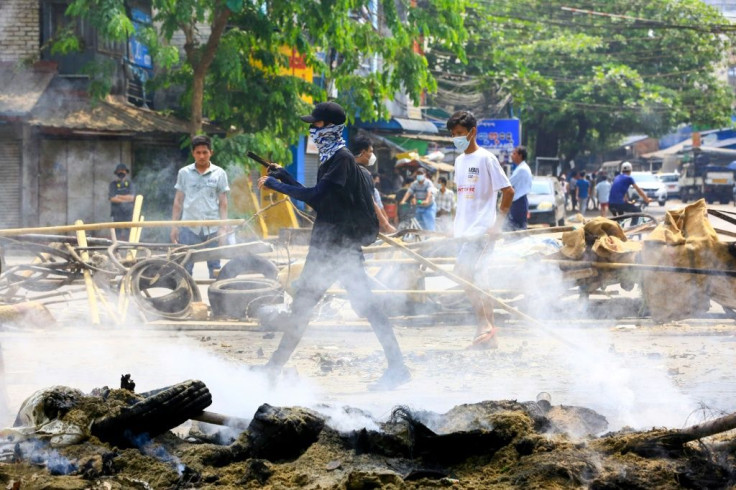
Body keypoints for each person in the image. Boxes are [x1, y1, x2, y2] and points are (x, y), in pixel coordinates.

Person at [257, 101, 409, 390]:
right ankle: (273, 368)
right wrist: (284, 176)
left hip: (340, 249)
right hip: (329, 247)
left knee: (364, 307)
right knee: (308, 305)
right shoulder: (331, 157)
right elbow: (321, 196)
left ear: (331, 127)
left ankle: (398, 367)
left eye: (316, 124)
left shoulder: (340, 158)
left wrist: (278, 186)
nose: (312, 129)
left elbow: (314, 198)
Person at [447, 110, 514, 349]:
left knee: (464, 273)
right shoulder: (459, 161)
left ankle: (484, 323)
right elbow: (463, 199)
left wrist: (497, 225)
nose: (456, 138)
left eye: (460, 134)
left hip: (482, 231)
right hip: (464, 232)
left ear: (472, 132)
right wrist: (454, 228)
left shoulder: (486, 159)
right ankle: (490, 336)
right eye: (453, 134)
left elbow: (508, 191)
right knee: (478, 279)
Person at [170, 135, 230, 279]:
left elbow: (223, 202)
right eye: (198, 152)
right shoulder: (184, 173)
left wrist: (223, 227)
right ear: (193, 153)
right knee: (185, 268)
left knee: (215, 269)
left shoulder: (219, 173)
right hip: (189, 227)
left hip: (213, 228)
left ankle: (217, 300)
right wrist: (174, 226)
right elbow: (178, 201)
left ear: (211, 153)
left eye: (205, 152)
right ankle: (186, 299)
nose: (202, 156)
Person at [350, 135, 396, 234]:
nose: (372, 155)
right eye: (371, 151)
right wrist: (386, 224)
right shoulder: (363, 173)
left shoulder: (342, 168)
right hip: (356, 225)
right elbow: (370, 201)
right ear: (363, 152)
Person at [505, 146, 532, 230]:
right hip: (519, 201)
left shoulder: (522, 169)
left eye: (514, 153)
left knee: (516, 228)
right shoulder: (521, 168)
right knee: (517, 227)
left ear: (520, 156)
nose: (512, 155)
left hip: (518, 202)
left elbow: (507, 183)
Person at [108, 163, 136, 241]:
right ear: (116, 173)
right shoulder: (113, 184)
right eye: (119, 171)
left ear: (126, 172)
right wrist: (126, 199)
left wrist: (119, 196)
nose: (121, 173)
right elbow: (112, 198)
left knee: (129, 233)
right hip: (116, 213)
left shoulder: (130, 184)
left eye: (123, 171)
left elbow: (132, 198)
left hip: (128, 213)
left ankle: (130, 249)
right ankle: (116, 250)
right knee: (117, 234)